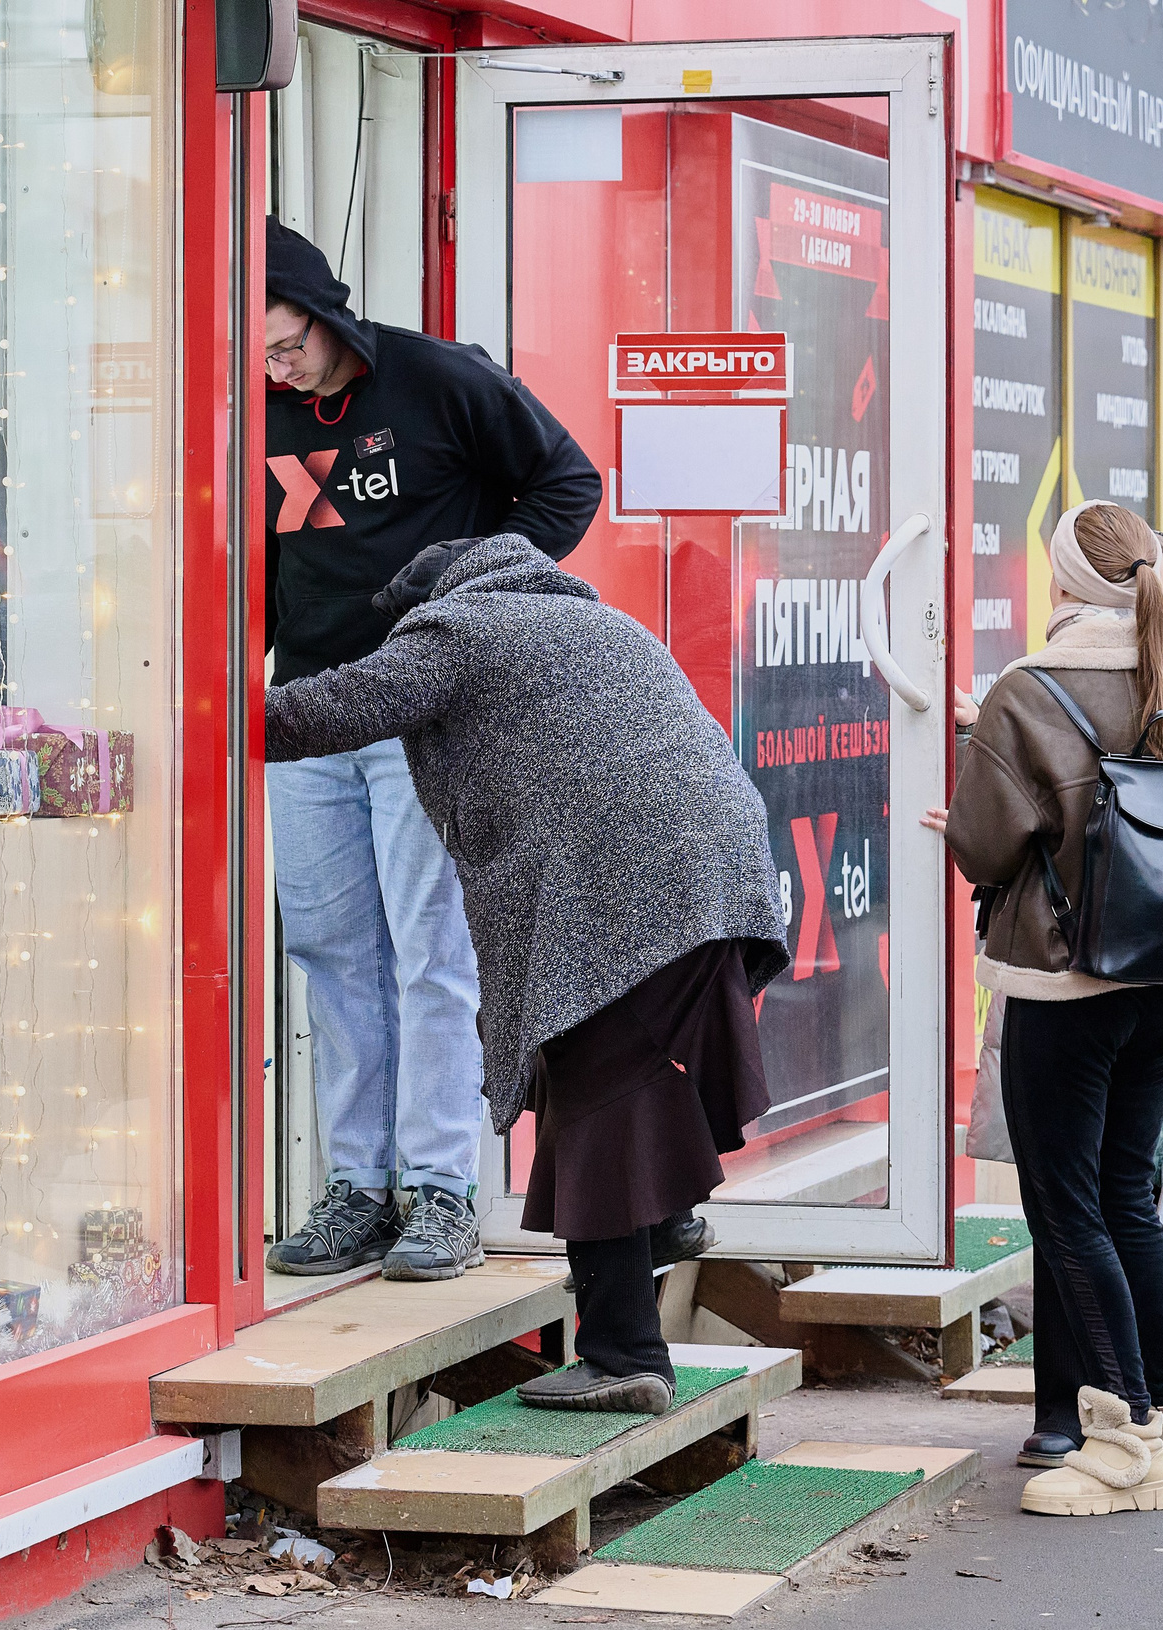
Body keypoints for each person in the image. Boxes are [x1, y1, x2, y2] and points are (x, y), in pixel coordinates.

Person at [265, 534, 787, 1411]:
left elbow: (332, 709)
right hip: (718, 875)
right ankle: (668, 1219)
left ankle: (626, 1359)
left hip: (625, 894)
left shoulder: (460, 629)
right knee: (638, 1072)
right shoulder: (596, 621)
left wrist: (196, 708)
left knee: (597, 1103)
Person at [258, 220, 602, 1283]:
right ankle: (358, 1188)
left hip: (424, 706)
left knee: (431, 953)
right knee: (328, 952)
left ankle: (443, 1188)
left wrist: (473, 604)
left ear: (324, 312)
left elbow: (567, 482)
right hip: (305, 713)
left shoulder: (437, 379)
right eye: (259, 356)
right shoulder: (245, 406)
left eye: (286, 347)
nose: (276, 370)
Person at [933, 501, 1163, 1515]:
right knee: (1128, 1202)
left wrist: (1008, 817)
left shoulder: (1025, 687)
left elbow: (985, 847)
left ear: (1061, 584)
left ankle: (1116, 1440)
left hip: (1061, 985)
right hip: (1162, 986)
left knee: (1067, 1207)